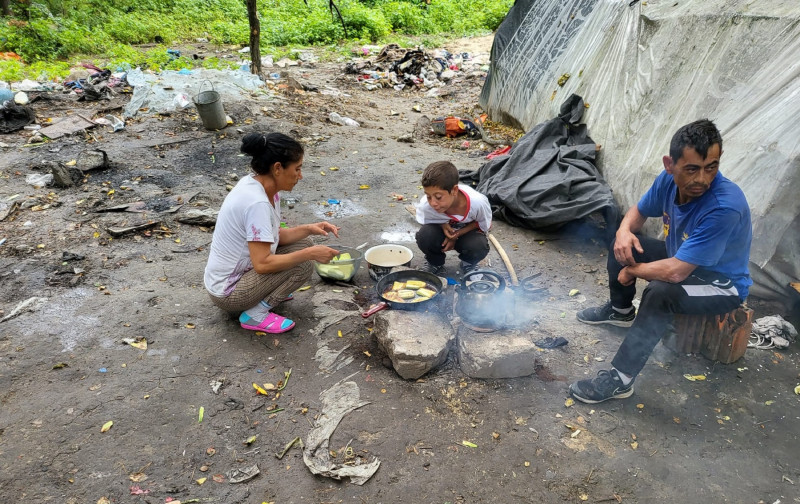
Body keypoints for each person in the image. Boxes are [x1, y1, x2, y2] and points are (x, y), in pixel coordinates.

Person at [569, 119, 752, 404]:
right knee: (625, 246)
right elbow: (637, 212)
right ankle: (620, 311)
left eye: (711, 167)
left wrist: (633, 271)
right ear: (670, 164)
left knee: (660, 293)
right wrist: (623, 232)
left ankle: (621, 378)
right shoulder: (667, 181)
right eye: (692, 169)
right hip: (683, 261)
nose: (702, 179)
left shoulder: (724, 206)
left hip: (719, 283)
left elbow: (676, 273)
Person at [204, 132, 341, 334]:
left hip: (232, 278)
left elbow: (274, 237)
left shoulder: (262, 187)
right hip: (228, 293)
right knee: (303, 264)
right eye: (297, 169)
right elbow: (262, 264)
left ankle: (269, 291)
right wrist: (310, 255)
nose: (300, 176)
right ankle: (255, 314)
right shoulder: (257, 203)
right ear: (278, 168)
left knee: (305, 244)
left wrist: (309, 228)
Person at [414, 160, 492, 276]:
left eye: (438, 197)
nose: (433, 203)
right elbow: (429, 221)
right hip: (443, 232)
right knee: (425, 235)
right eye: (428, 196)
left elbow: (483, 224)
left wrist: (456, 235)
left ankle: (468, 263)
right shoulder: (426, 205)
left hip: (467, 234)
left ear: (454, 190)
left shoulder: (478, 203)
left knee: (478, 245)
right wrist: (443, 224)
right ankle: (435, 262)